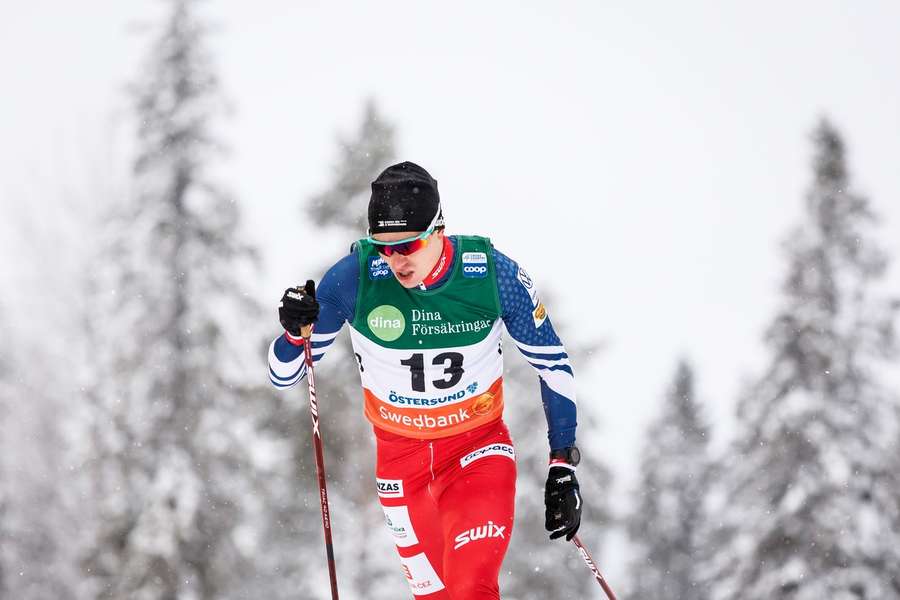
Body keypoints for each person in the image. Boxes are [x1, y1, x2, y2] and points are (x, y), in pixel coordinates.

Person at [268, 161, 583, 599]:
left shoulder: (491, 276)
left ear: (438, 230)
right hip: (400, 473)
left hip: (476, 453)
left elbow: (552, 363)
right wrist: (291, 331)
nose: (396, 260)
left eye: (408, 245)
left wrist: (562, 464)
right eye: (383, 247)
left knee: (470, 590)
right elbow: (285, 375)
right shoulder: (354, 278)